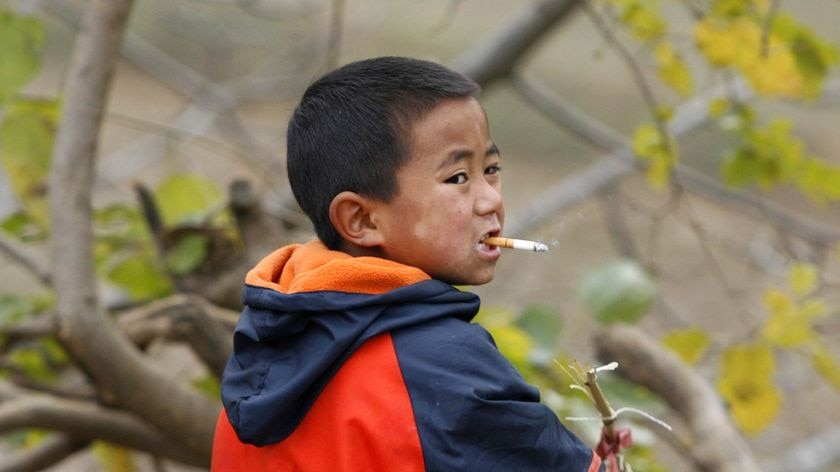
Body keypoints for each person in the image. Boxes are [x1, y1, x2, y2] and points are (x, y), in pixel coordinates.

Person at [211, 56, 602, 472]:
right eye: (457, 178)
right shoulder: (441, 366)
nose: (491, 200)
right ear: (360, 220)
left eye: (491, 169)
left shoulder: (265, 347)